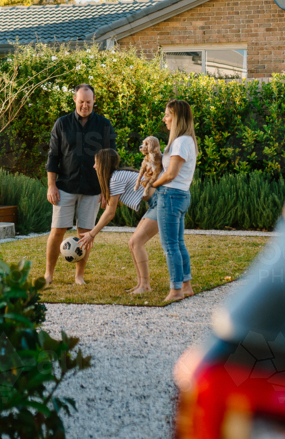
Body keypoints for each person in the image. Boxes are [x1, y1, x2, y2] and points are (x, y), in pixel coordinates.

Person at [44, 83, 116, 285]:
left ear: (94, 101)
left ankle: (79, 276)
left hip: (93, 189)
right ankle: (49, 274)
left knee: (85, 234)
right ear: (75, 100)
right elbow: (53, 156)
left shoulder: (104, 125)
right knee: (57, 231)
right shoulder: (62, 123)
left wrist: (105, 189)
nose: (85, 105)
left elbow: (110, 160)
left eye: (89, 102)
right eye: (81, 101)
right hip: (65, 186)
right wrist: (51, 185)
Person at [79, 148, 156, 293]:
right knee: (133, 243)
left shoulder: (116, 178)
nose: (94, 166)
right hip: (156, 203)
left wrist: (91, 234)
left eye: (96, 163)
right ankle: (140, 284)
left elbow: (110, 212)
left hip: (163, 202)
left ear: (103, 164)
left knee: (136, 242)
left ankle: (145, 286)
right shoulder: (116, 177)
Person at [149, 99, 198, 302]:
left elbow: (171, 174)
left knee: (170, 246)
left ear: (177, 117)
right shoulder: (187, 141)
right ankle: (186, 286)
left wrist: (152, 185)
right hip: (181, 195)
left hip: (170, 195)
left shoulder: (180, 142)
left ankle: (176, 290)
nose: (164, 118)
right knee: (178, 243)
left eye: (168, 115)